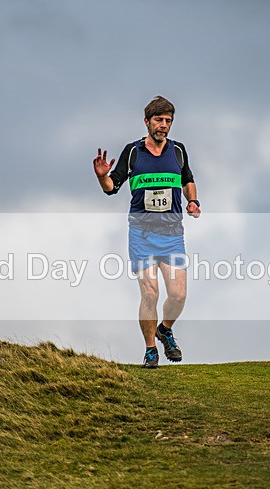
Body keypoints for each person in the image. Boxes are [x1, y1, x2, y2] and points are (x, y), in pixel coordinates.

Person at [93, 95, 201, 368]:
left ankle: (164, 330)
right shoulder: (132, 152)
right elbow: (112, 188)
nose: (163, 125)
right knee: (150, 293)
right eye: (158, 120)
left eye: (168, 121)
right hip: (141, 234)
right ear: (147, 122)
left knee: (178, 296)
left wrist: (193, 200)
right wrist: (102, 176)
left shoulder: (178, 151)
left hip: (172, 233)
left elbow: (187, 179)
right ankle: (151, 349)